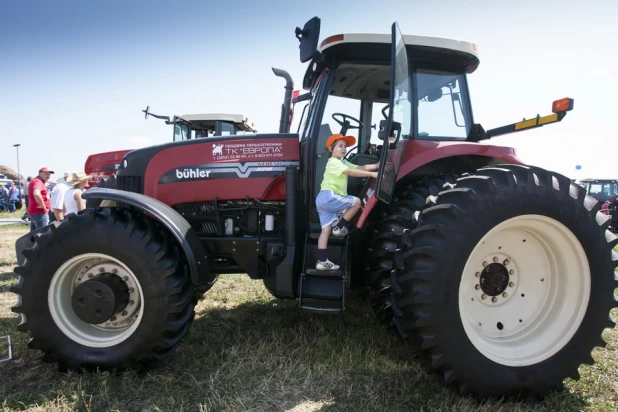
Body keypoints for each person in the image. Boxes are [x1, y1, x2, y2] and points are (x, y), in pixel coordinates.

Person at [315, 133, 380, 270]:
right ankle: (339, 227)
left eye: (345, 146)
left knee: (326, 230)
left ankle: (321, 261)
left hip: (322, 200)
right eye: (340, 146)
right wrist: (372, 174)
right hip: (329, 196)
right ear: (331, 149)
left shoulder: (343, 162)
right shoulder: (334, 162)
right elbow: (350, 172)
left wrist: (375, 165)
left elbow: (358, 168)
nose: (344, 149)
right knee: (356, 202)